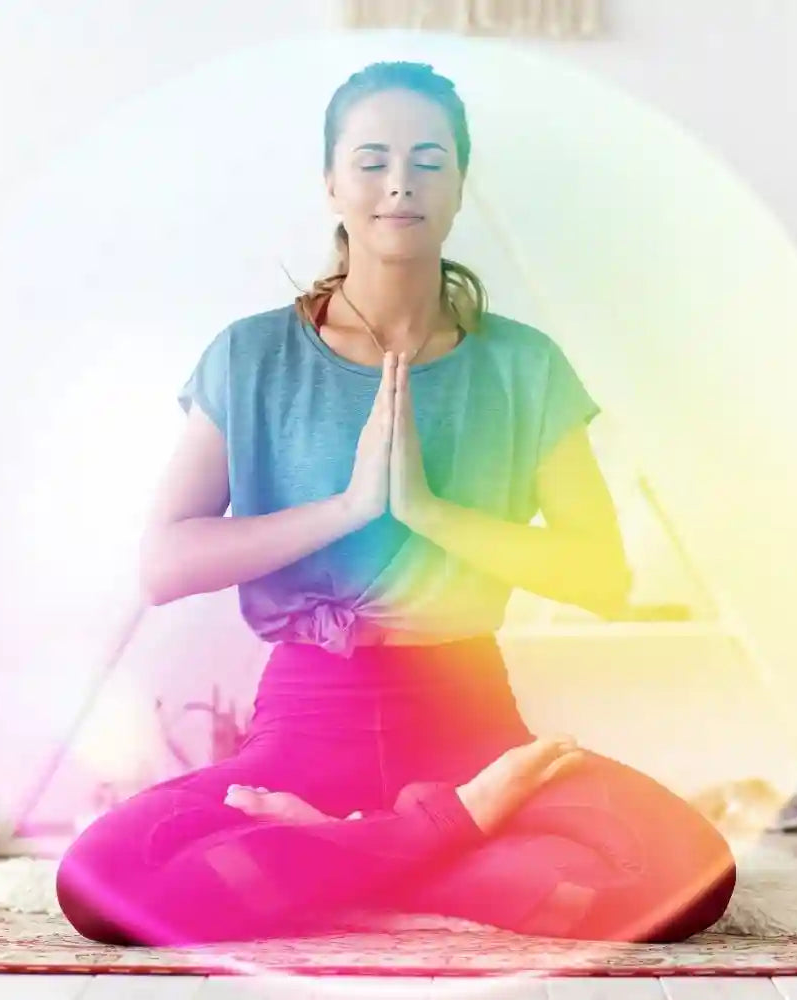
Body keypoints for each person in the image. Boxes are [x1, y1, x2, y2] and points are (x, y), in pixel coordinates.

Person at [54, 60, 736, 947]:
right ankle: (437, 837)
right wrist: (348, 507)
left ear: (458, 185)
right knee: (101, 884)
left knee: (689, 877)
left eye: (428, 159)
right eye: (372, 159)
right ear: (332, 182)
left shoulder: (524, 366)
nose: (399, 182)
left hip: (470, 722)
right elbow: (164, 564)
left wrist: (428, 511)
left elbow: (600, 574)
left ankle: (337, 856)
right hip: (304, 723)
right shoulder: (253, 356)